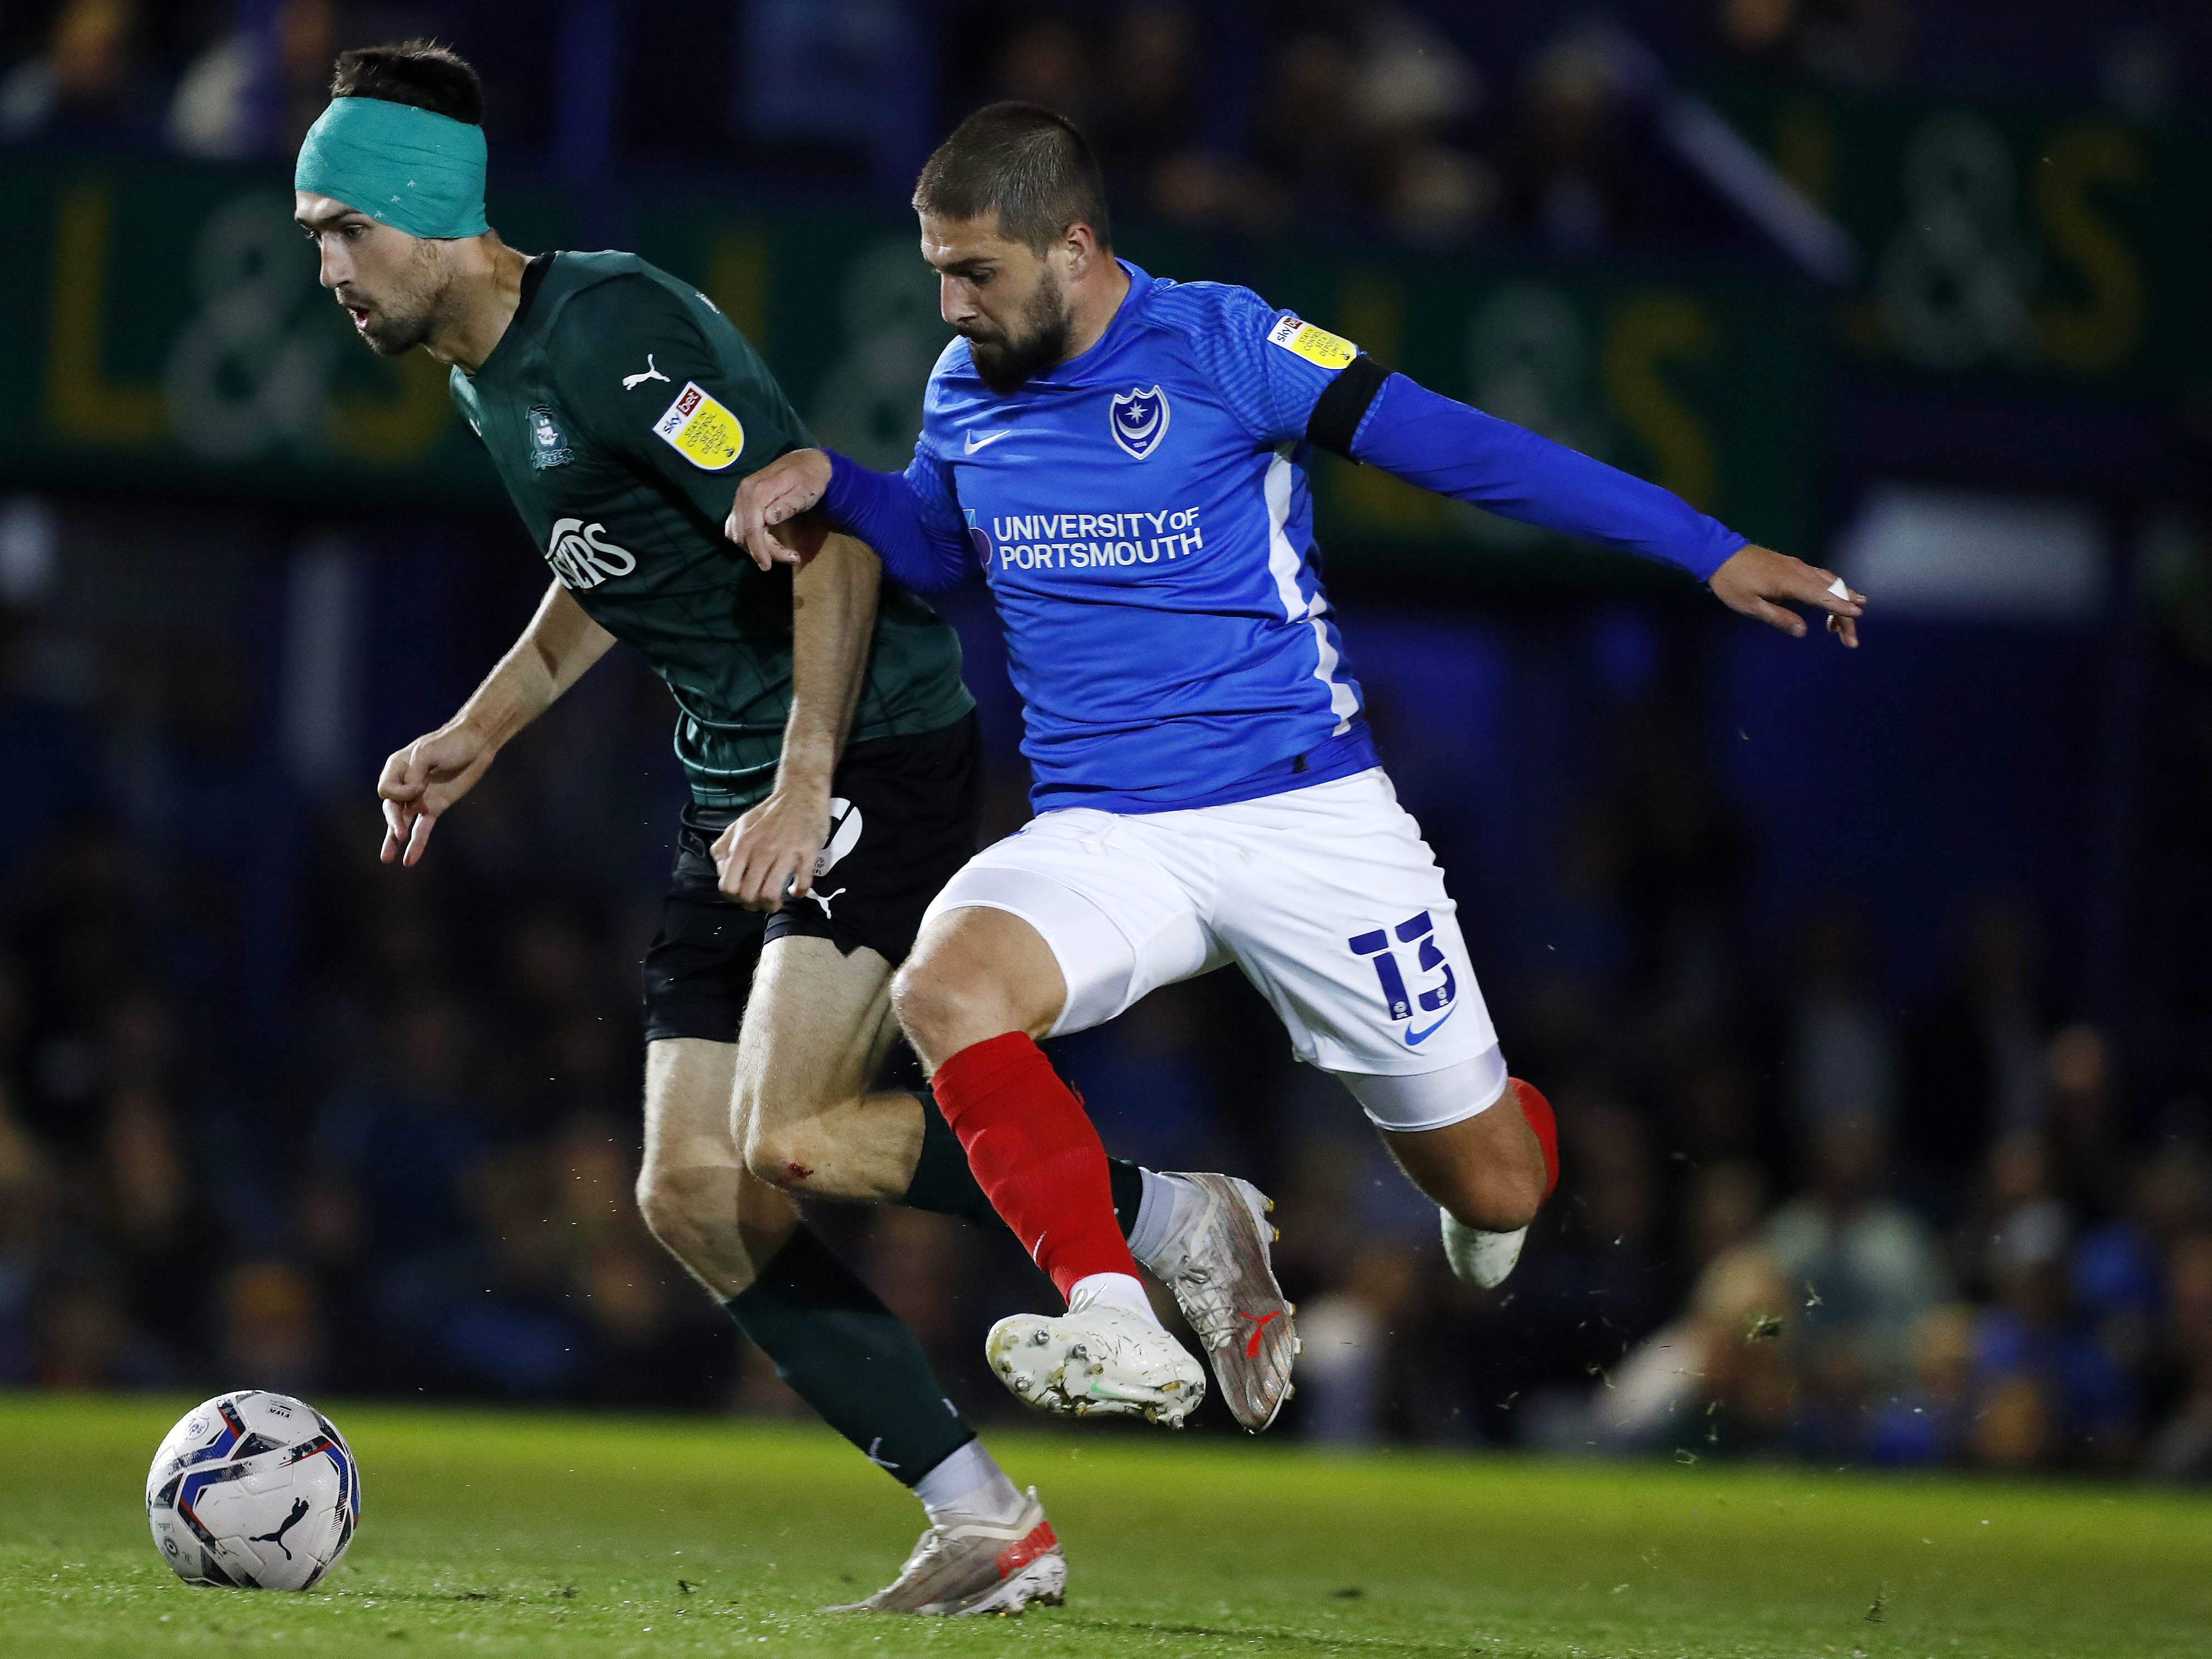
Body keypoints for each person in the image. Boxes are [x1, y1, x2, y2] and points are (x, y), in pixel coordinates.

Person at [292, 47, 1295, 1616]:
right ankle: (985, 1517)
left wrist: (805, 777)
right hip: (738, 780)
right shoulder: (490, 369)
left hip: (866, 751)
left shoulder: (610, 332)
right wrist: (474, 733)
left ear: (426, 213)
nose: (328, 267)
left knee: (794, 1134)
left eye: (342, 227)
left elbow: (821, 542)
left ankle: (1173, 1213)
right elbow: (609, 561)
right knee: (691, 1188)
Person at [726, 101, 1864, 1426]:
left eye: (975, 271)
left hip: (1305, 816)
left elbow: (1465, 449)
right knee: (949, 985)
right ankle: (1111, 1306)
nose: (950, 304)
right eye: (937, 270)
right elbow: (940, 542)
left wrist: (1705, 545)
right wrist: (838, 484)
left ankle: (1507, 1132)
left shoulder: (1224, 343)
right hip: (1109, 827)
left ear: (1075, 244)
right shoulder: (965, 389)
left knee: (1494, 1183)